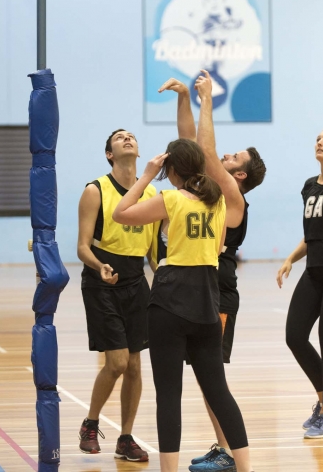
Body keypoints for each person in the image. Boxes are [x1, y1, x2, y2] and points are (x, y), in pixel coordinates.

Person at [113, 138, 254, 472]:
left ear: (171, 169)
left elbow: (121, 214)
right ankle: (246, 468)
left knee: (169, 395)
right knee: (219, 392)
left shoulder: (171, 199)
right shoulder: (218, 201)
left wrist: (146, 176)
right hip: (207, 302)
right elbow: (219, 246)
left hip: (169, 304)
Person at [159, 71, 266, 472]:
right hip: (191, 286)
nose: (223, 157)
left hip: (216, 289)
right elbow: (192, 149)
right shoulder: (207, 188)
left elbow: (204, 148)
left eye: (232, 158)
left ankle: (229, 452)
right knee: (206, 379)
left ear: (239, 175)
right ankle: (223, 448)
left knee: (212, 381)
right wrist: (185, 97)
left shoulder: (231, 195)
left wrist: (207, 101)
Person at [76, 129, 158, 462]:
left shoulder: (152, 192)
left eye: (131, 136)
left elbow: (154, 253)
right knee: (118, 362)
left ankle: (125, 438)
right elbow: (82, 247)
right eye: (118, 137)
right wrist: (100, 266)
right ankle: (90, 422)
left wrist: (168, 278)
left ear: (138, 150)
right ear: (110, 154)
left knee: (136, 367)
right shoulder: (95, 190)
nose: (127, 139)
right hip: (102, 281)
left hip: (137, 282)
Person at [277, 128, 323, 439]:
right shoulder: (310, 186)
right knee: (294, 335)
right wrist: (291, 258)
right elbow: (312, 234)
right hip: (315, 267)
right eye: (318, 139)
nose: (320, 143)